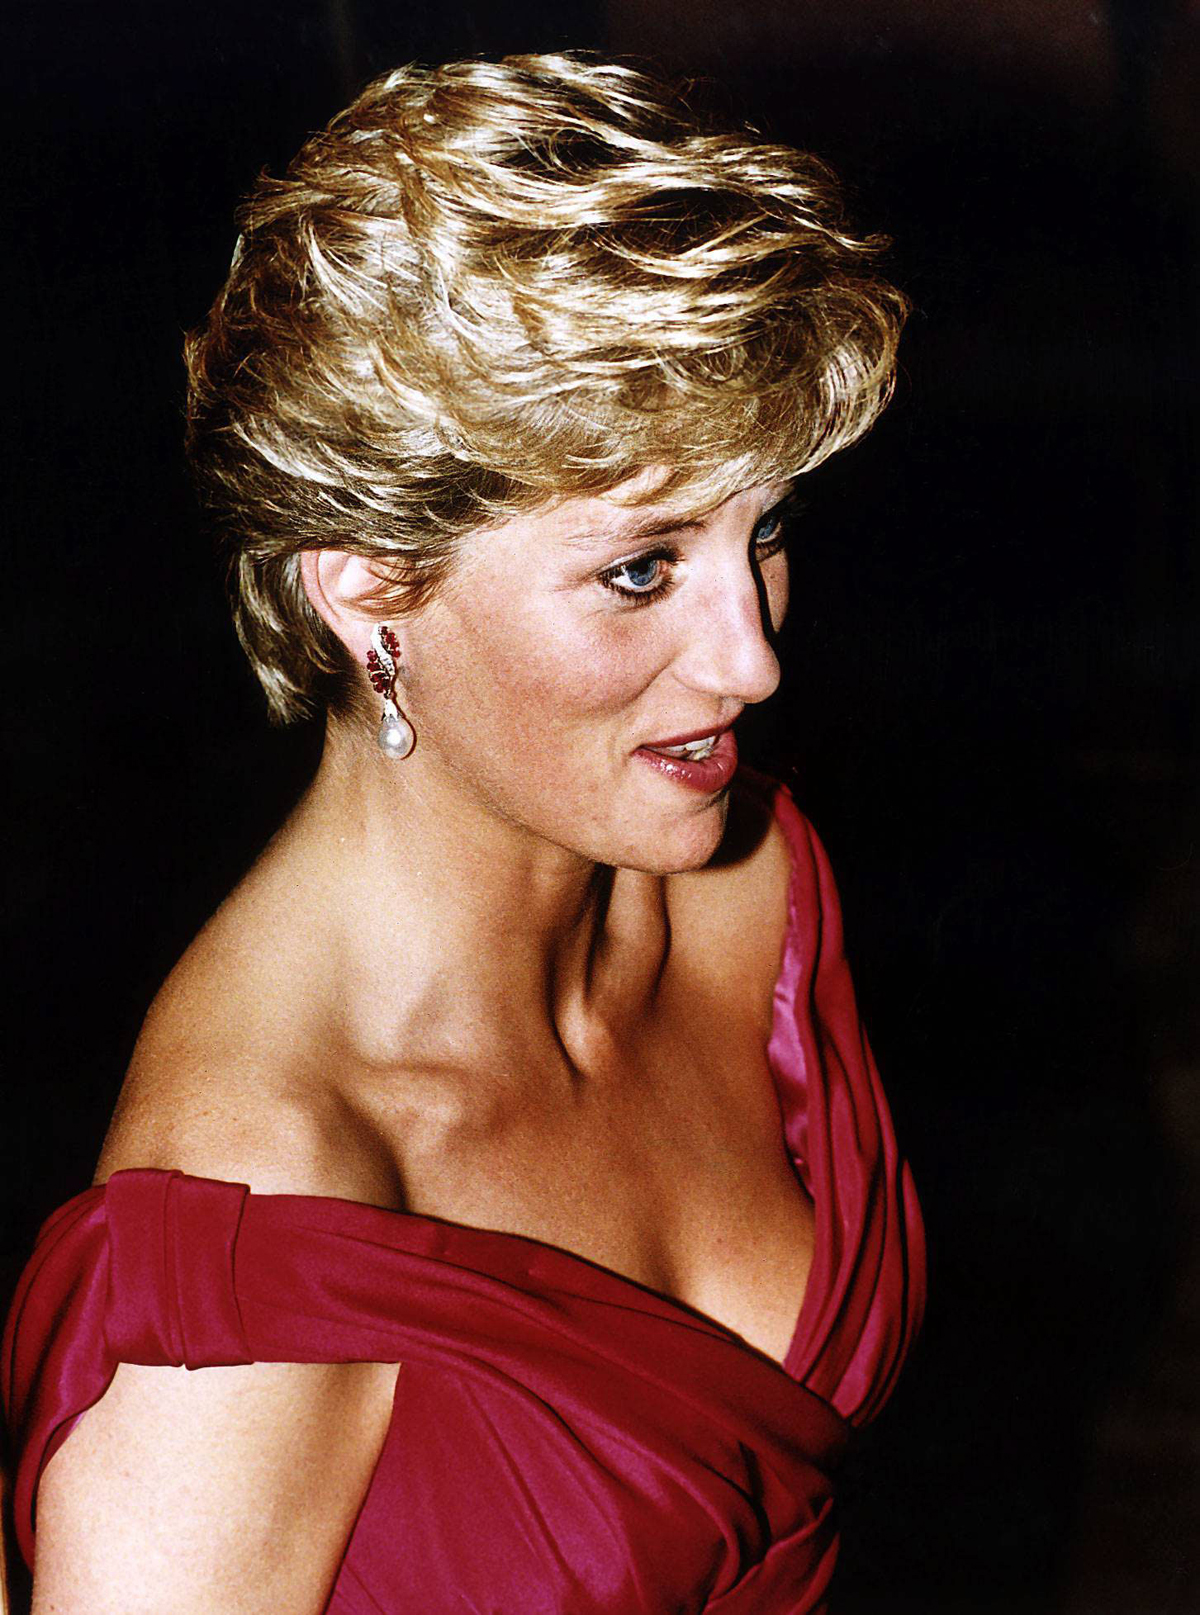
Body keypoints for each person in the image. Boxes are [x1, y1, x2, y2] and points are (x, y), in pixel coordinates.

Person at [2, 53, 924, 1615]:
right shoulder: (250, 1261)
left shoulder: (748, 880)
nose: (752, 659)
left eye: (762, 531)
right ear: (367, 585)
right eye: (641, 569)